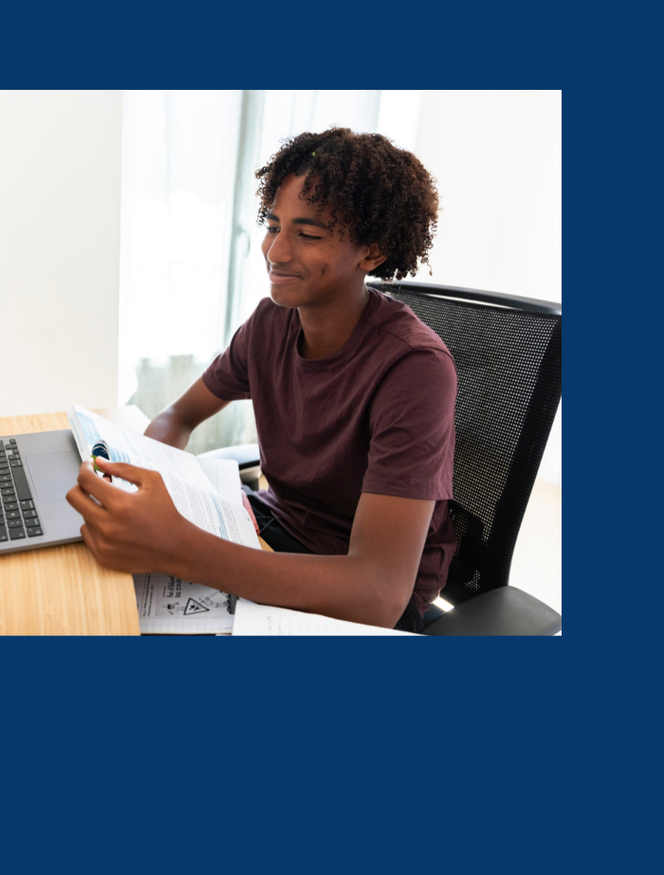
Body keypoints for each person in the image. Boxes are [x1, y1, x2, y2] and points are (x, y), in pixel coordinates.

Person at [66, 128, 457, 631]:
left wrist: (181, 548)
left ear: (373, 251)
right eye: (273, 225)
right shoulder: (270, 324)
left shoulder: (415, 368)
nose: (275, 250)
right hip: (268, 531)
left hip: (352, 595)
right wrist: (140, 476)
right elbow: (177, 416)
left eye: (308, 234)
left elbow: (378, 592)